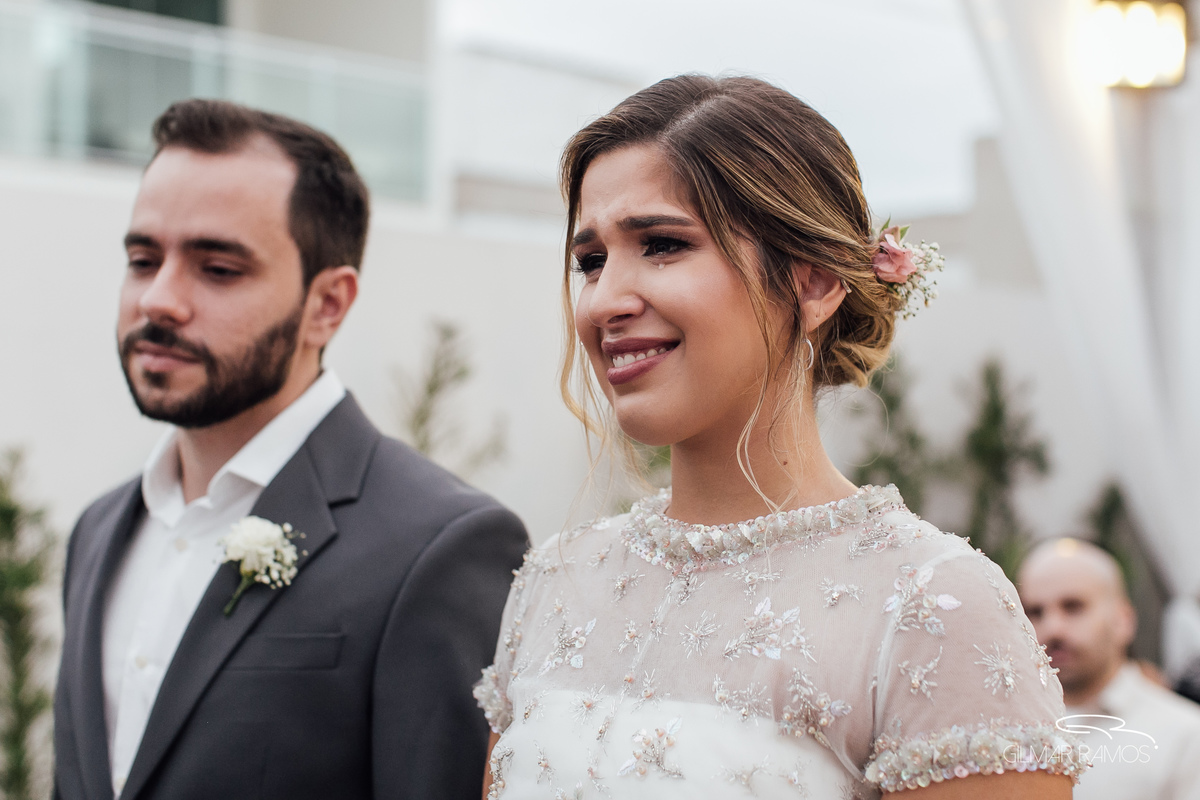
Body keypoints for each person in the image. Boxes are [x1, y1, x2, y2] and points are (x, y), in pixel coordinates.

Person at [473, 75, 1087, 799]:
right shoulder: (554, 582)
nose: (605, 300)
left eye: (664, 245)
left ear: (816, 281)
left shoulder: (932, 605)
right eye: (591, 262)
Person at [53, 99, 528, 800]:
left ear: (327, 304)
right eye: (142, 258)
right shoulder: (98, 531)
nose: (159, 299)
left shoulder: (441, 546)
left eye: (217, 268)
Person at [1019, 538, 1200, 800]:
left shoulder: (1185, 736)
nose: (1052, 628)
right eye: (1034, 612)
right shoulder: (1003, 729)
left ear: (1123, 620)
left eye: (1073, 607)